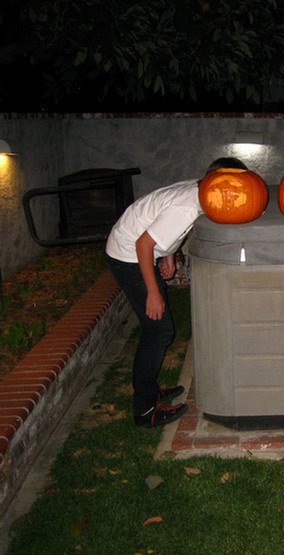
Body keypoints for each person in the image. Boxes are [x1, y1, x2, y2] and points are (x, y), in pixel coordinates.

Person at [106, 157, 247, 428]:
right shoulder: (186, 206)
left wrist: (170, 254)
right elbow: (144, 244)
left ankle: (150, 389)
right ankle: (145, 409)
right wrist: (153, 293)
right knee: (159, 331)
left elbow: (163, 228)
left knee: (158, 330)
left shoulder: (196, 191)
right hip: (128, 255)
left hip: (132, 247)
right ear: (211, 183)